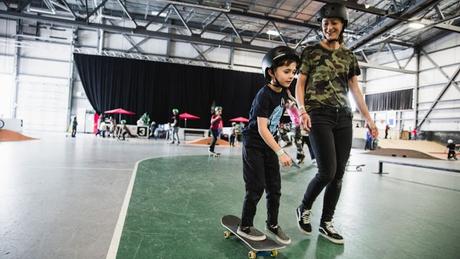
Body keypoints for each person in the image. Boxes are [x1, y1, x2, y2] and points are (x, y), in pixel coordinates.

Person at [294, 3, 378, 245]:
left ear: (342, 27)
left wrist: (369, 119)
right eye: (325, 24)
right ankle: (304, 207)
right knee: (326, 171)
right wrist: (302, 110)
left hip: (344, 117)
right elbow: (300, 84)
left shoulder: (349, 56)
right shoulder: (310, 52)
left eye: (334, 24)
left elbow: (355, 89)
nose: (329, 27)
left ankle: (326, 223)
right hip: (318, 114)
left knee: (339, 175)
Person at [237, 46, 299, 245]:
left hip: (269, 145)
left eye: (293, 71)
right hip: (255, 144)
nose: (291, 75)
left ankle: (272, 224)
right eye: (286, 71)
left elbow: (290, 103)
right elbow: (263, 129)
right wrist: (281, 152)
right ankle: (244, 226)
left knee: (275, 188)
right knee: (256, 187)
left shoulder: (284, 91)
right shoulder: (263, 95)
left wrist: (298, 113)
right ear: (271, 72)